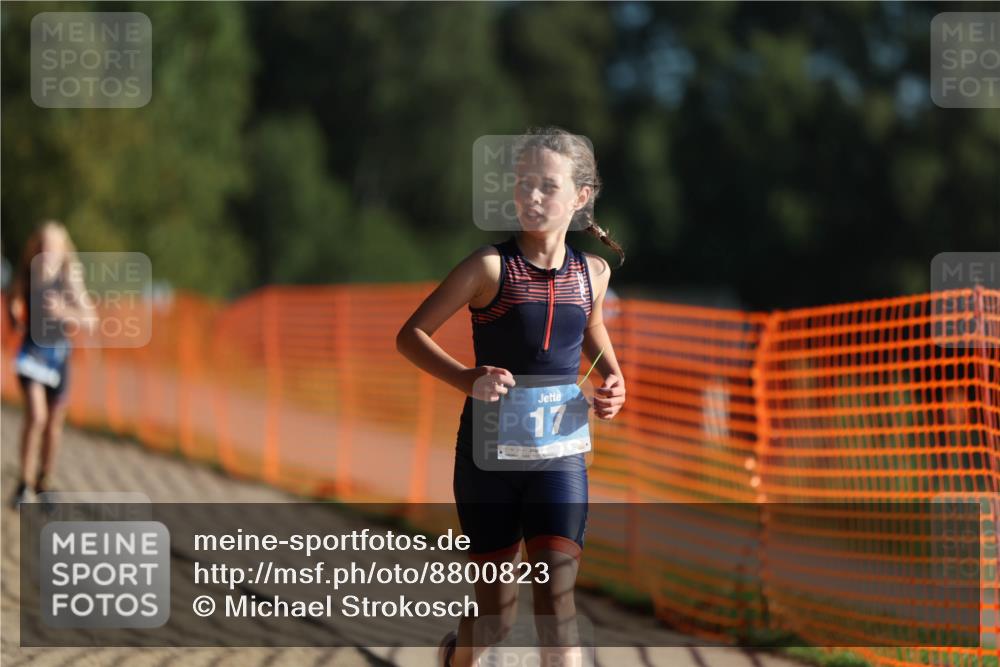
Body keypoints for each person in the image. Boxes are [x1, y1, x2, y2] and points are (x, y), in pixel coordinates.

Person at [397, 127, 626, 667]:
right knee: (495, 620)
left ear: (580, 197)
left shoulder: (593, 273)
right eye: (524, 184)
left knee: (556, 607)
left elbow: (590, 326)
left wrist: (613, 377)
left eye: (548, 185)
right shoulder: (489, 267)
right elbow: (410, 336)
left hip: (560, 459)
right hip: (489, 460)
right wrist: (465, 378)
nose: (532, 197)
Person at [7, 221, 94, 508]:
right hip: (32, 353)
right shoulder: (27, 274)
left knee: (54, 425)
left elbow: (89, 319)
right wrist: (15, 313)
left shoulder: (69, 278)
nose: (47, 253)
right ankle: (24, 483)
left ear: (63, 250)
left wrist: (64, 310)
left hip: (58, 357)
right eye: (42, 246)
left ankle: (45, 482)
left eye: (53, 248)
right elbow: (14, 300)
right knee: (37, 416)